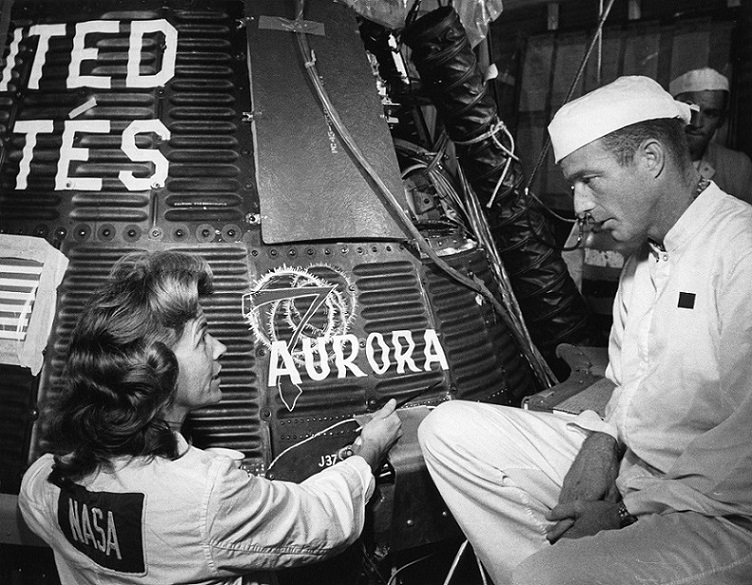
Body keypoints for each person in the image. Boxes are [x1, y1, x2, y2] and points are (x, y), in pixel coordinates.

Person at [418, 76, 752, 585]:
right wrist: (602, 441)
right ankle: (551, 567)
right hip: (636, 468)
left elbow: (743, 459)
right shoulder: (643, 256)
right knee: (445, 429)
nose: (579, 206)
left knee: (548, 579)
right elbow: (627, 382)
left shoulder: (740, 252)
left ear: (650, 160)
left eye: (589, 179)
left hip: (721, 511)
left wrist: (624, 515)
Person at [18, 250, 403, 585]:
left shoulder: (45, 481)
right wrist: (366, 454)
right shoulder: (209, 496)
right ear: (157, 369)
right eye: (202, 337)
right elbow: (321, 521)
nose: (219, 349)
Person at [670, 67, 752, 204]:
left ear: (721, 121)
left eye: (710, 114)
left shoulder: (737, 167)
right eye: (691, 110)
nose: (696, 123)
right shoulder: (649, 156)